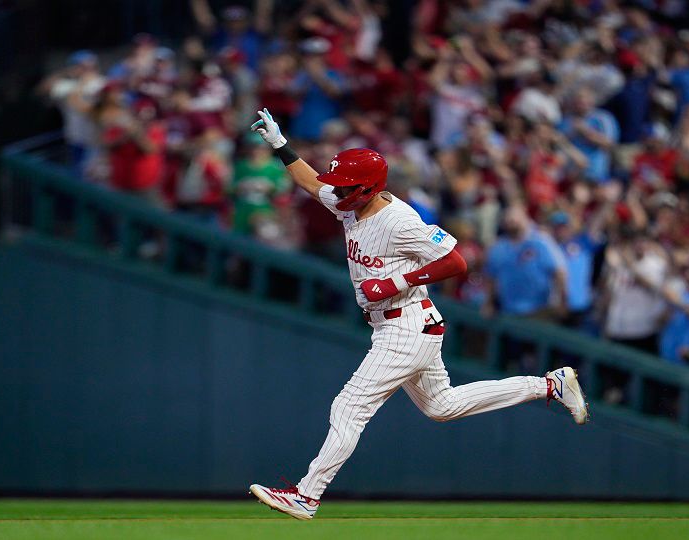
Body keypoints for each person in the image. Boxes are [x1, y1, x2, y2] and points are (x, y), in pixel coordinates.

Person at [246, 109, 589, 520]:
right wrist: (280, 144)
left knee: (349, 407)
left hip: (404, 322)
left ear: (368, 187)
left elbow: (456, 262)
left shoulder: (399, 220)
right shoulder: (349, 203)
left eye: (343, 185)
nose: (333, 191)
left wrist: (394, 282)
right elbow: (310, 181)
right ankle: (547, 385)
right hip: (409, 324)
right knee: (441, 406)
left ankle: (307, 494)